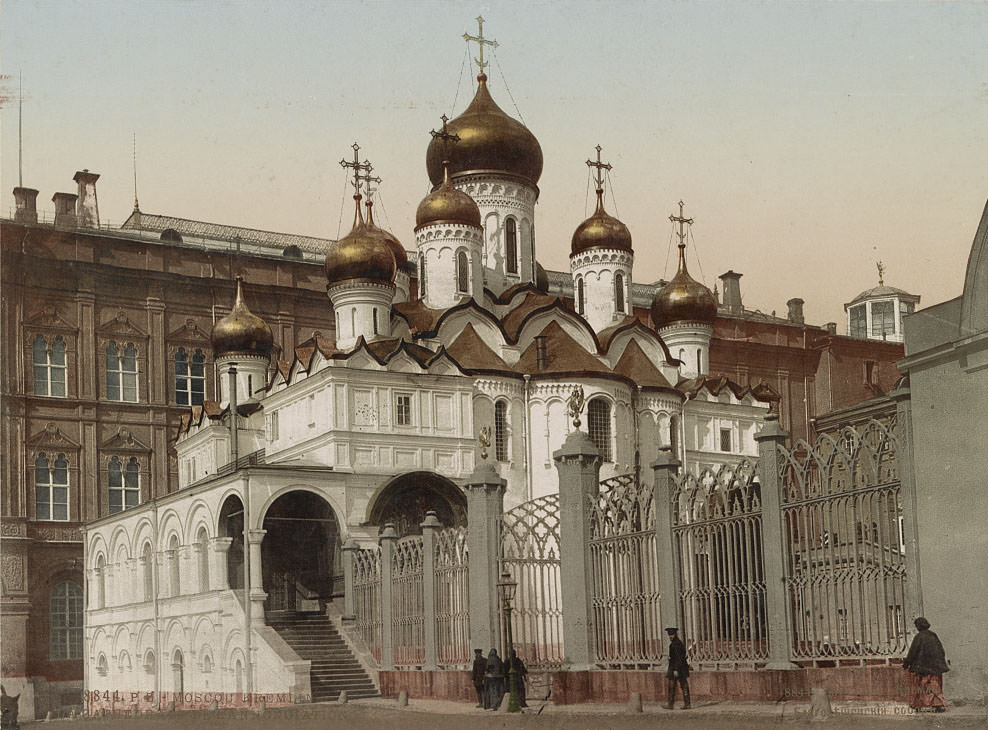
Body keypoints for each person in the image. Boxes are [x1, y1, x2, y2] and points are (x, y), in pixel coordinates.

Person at [903, 617, 949, 712]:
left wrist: (906, 663)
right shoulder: (933, 635)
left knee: (921, 686)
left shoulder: (919, 637)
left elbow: (912, 652)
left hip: (922, 668)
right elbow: (941, 650)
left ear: (918, 626)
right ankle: (938, 704)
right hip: (935, 667)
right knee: (935, 686)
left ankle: (918, 705)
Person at [664, 627, 691, 710]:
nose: (670, 636)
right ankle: (685, 703)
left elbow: (678, 658)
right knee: (681, 684)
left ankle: (672, 704)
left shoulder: (675, 644)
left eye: (672, 634)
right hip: (680, 667)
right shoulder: (677, 643)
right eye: (669, 635)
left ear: (675, 634)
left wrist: (675, 669)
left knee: (676, 685)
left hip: (677, 667)